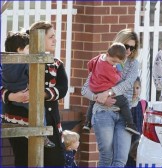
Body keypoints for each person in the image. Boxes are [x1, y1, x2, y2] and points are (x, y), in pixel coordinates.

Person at [1, 21, 68, 166]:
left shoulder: (56, 63)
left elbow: (63, 88)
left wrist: (41, 94)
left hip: (49, 120)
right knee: (24, 161)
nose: (55, 40)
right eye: (51, 37)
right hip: (18, 118)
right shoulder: (14, 61)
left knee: (55, 161)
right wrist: (12, 96)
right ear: (38, 39)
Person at [81, 28, 139, 166]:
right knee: (106, 157)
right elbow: (85, 90)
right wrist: (98, 98)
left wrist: (107, 93)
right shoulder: (102, 61)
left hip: (125, 116)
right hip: (104, 112)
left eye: (133, 47)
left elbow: (128, 83)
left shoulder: (133, 64)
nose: (129, 51)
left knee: (121, 160)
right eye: (126, 47)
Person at [2, 31, 55, 148]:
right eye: (27, 48)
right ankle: (43, 135)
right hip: (25, 95)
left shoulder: (4, 63)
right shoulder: (25, 62)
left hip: (11, 99)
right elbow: (33, 76)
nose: (30, 51)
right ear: (19, 50)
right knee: (39, 110)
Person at [87, 42, 139, 135]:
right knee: (124, 102)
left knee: (92, 102)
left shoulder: (99, 57)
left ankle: (87, 122)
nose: (114, 64)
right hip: (105, 89)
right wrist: (119, 72)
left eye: (117, 62)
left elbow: (90, 64)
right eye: (113, 62)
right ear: (107, 54)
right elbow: (116, 79)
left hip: (94, 87)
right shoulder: (108, 67)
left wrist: (94, 72)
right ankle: (130, 124)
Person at [125, 77, 148, 167]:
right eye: (132, 88)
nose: (134, 91)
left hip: (137, 140)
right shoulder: (125, 103)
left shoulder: (143, 104)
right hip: (126, 138)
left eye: (137, 88)